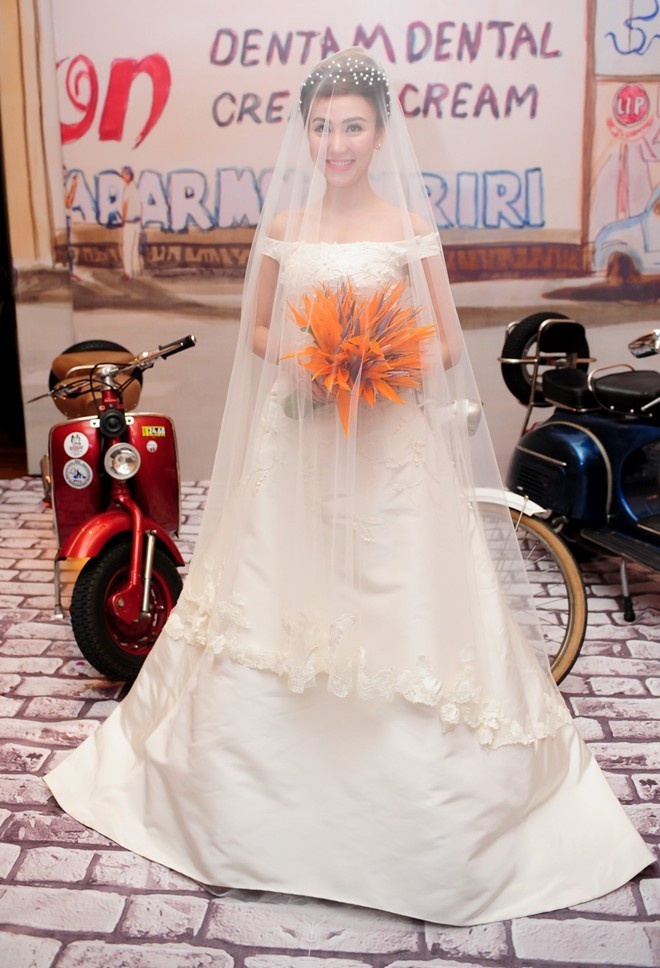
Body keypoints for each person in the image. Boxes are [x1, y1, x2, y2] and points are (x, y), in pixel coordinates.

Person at [45, 49, 653, 926]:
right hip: (298, 436)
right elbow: (258, 330)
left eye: (353, 127)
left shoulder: (408, 226)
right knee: (279, 588)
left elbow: (447, 343)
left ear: (379, 133)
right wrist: (313, 359)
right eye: (323, 126)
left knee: (398, 595)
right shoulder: (285, 225)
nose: (336, 142)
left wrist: (381, 359)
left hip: (388, 440)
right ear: (308, 132)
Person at [120, 165, 142, 279]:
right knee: (134, 248)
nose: (122, 177)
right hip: (137, 223)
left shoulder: (128, 189)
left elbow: (125, 205)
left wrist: (123, 219)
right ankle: (136, 269)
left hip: (129, 222)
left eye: (123, 174)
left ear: (128, 175)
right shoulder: (136, 188)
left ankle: (128, 273)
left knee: (127, 248)